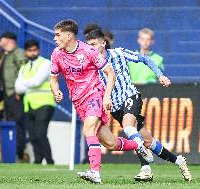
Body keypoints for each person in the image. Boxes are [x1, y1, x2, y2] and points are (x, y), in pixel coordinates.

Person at [50, 19, 152, 184]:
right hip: (78, 101)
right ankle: (138, 145)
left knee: (88, 129)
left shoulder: (88, 51)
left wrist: (106, 96)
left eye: (57, 35)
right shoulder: (57, 54)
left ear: (69, 36)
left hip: (94, 95)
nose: (55, 38)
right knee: (110, 143)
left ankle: (95, 173)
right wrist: (56, 90)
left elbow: (110, 73)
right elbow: (53, 78)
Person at [86, 29, 192, 182]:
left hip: (130, 96)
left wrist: (160, 75)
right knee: (148, 141)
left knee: (129, 128)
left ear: (103, 43)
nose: (91, 48)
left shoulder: (119, 53)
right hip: (115, 107)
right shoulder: (91, 64)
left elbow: (144, 59)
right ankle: (178, 161)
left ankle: (145, 167)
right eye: (89, 45)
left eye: (94, 44)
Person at [15, 39, 56, 164]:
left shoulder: (45, 63)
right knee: (32, 135)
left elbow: (37, 81)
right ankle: (38, 159)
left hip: (45, 103)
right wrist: (28, 84)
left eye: (34, 50)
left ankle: (49, 160)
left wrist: (25, 83)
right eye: (30, 50)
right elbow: (17, 87)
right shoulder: (23, 68)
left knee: (40, 133)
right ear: (26, 52)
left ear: (38, 50)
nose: (32, 53)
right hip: (29, 105)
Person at [0, 32, 28, 162]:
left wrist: (18, 91)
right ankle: (12, 153)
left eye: (1, 39)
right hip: (8, 96)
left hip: (16, 95)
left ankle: (19, 153)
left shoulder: (18, 53)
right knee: (11, 123)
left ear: (9, 40)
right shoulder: (6, 55)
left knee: (18, 124)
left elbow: (24, 72)